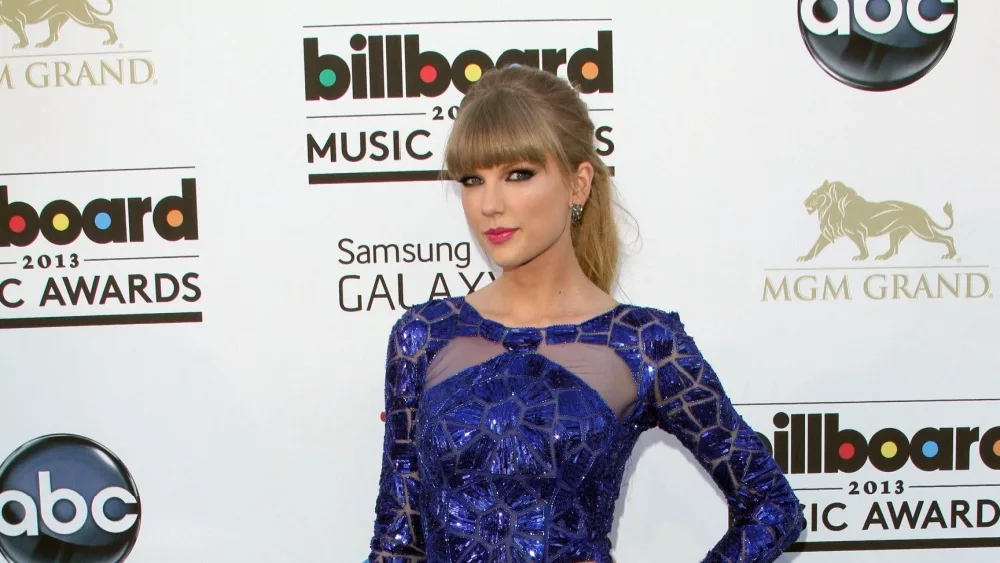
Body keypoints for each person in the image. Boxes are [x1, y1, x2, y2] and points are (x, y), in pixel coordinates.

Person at [367, 65, 802, 563]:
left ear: (578, 184)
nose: (490, 204)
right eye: (472, 179)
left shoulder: (643, 343)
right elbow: (397, 544)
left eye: (518, 174)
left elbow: (772, 506)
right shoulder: (423, 336)